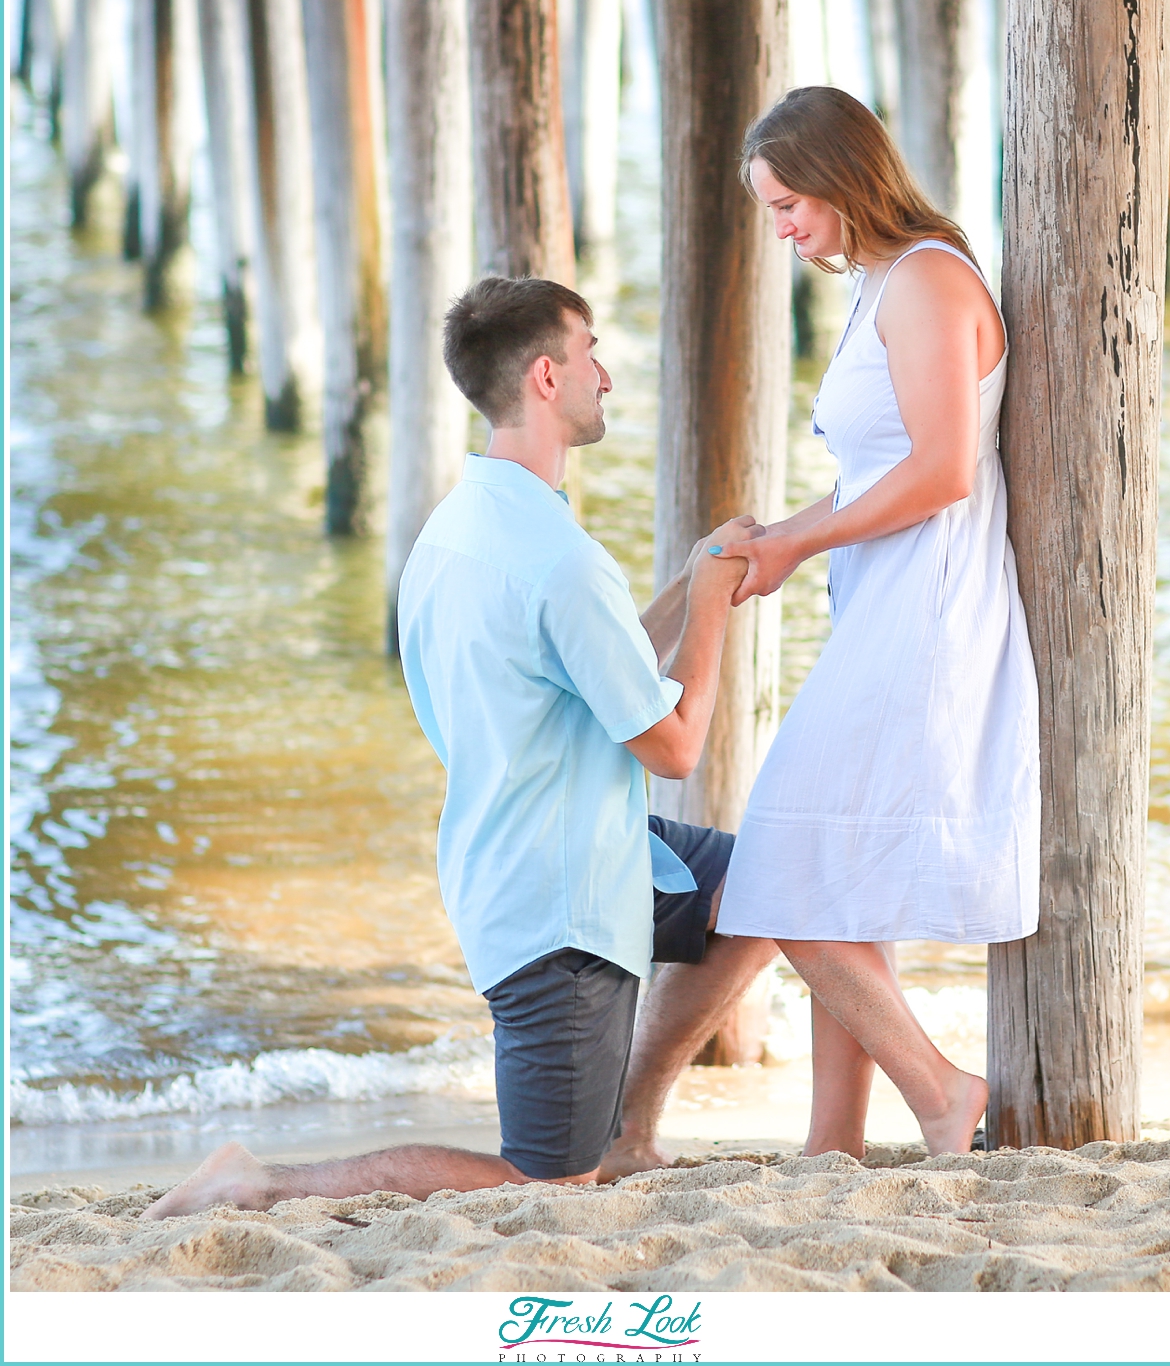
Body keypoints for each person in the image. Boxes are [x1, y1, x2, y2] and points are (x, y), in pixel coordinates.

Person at [143, 276, 775, 1221]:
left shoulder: (457, 533)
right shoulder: (559, 561)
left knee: (764, 886)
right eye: (592, 351)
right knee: (548, 1184)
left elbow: (598, 670)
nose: (608, 373)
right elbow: (676, 747)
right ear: (548, 375)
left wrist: (688, 580)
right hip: (555, 905)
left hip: (563, 849)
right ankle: (259, 1182)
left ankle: (633, 1133)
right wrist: (720, 603)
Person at [712, 86, 1039, 1159]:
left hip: (931, 620)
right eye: (771, 210)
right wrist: (782, 537)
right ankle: (832, 1141)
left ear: (847, 182)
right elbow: (878, 471)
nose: (784, 228)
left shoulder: (931, 282)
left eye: (791, 203)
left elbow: (945, 470)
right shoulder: (882, 282)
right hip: (883, 608)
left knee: (779, 865)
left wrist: (805, 543)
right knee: (833, 872)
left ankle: (945, 1093)